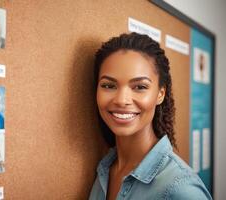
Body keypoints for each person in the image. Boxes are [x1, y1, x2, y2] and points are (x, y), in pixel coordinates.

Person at [89, 32, 212, 200]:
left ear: (160, 94)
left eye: (140, 87)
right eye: (109, 85)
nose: (121, 100)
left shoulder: (182, 189)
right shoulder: (104, 169)